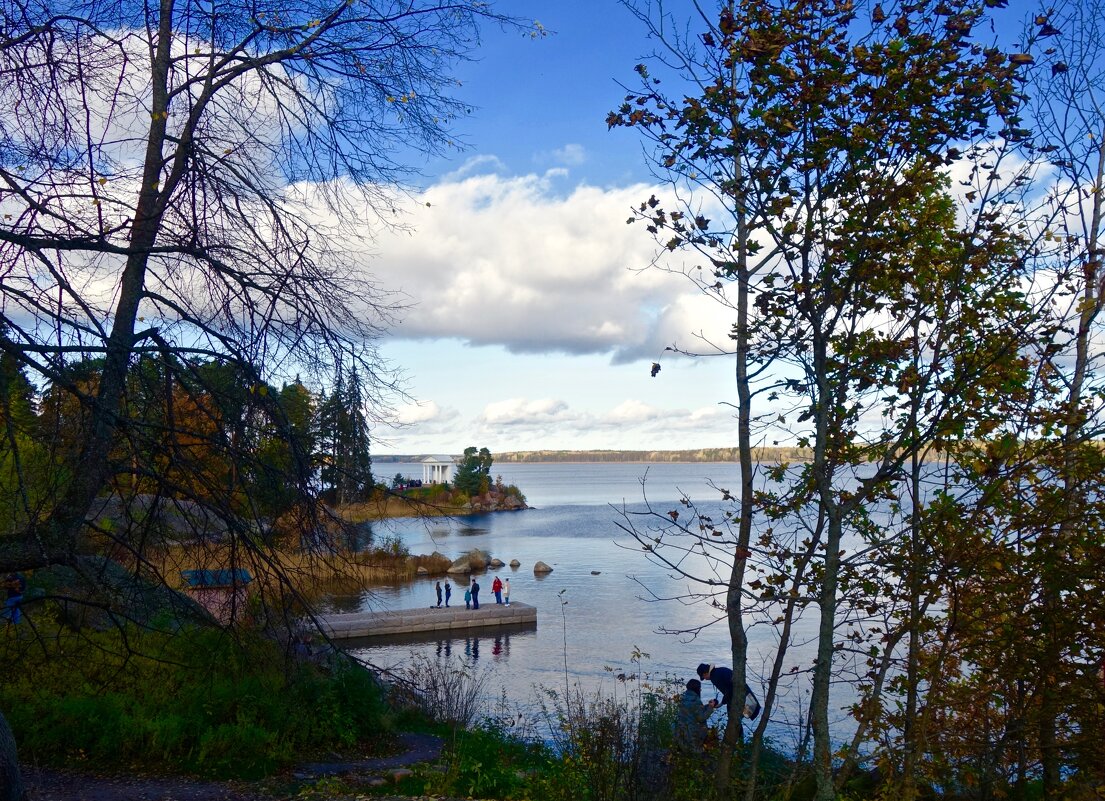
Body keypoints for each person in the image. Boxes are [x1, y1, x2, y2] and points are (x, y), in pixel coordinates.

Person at [674, 678, 718, 752]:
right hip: (692, 731)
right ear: (696, 689)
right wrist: (710, 707)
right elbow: (701, 718)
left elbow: (693, 710)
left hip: (681, 729)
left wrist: (708, 706)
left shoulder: (684, 697)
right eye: (699, 688)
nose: (700, 690)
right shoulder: (695, 700)